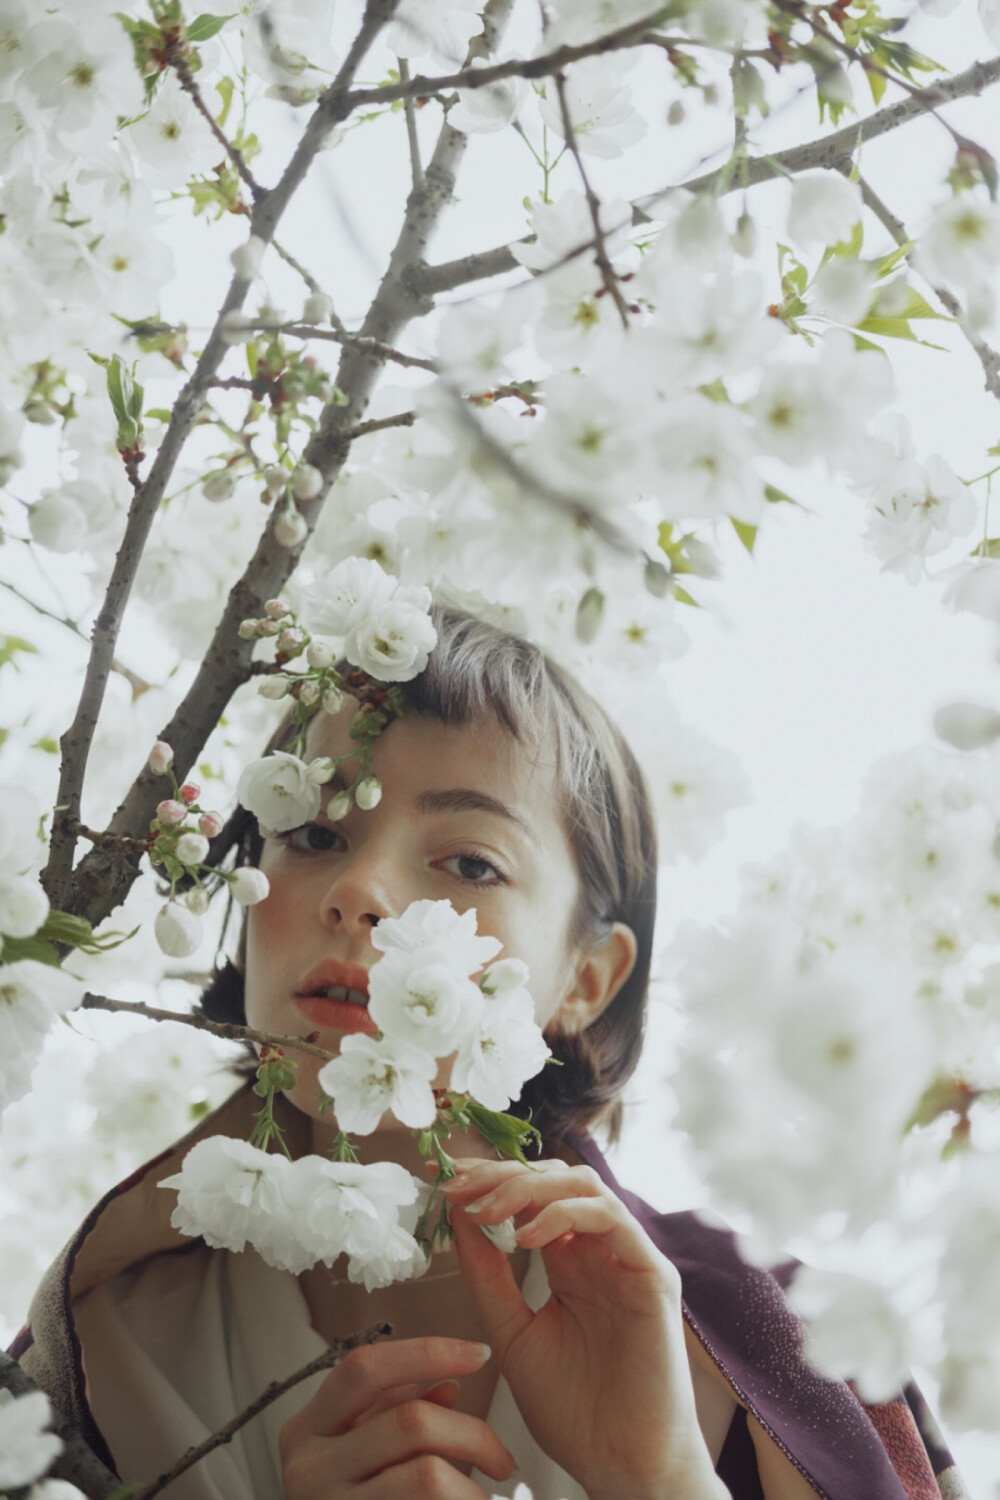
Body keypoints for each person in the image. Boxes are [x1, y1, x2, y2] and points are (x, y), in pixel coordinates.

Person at [10, 608, 963, 1500]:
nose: (361, 891)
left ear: (588, 978)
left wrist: (665, 1481)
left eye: (470, 862)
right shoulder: (91, 1359)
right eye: (313, 834)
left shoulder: (794, 1353)